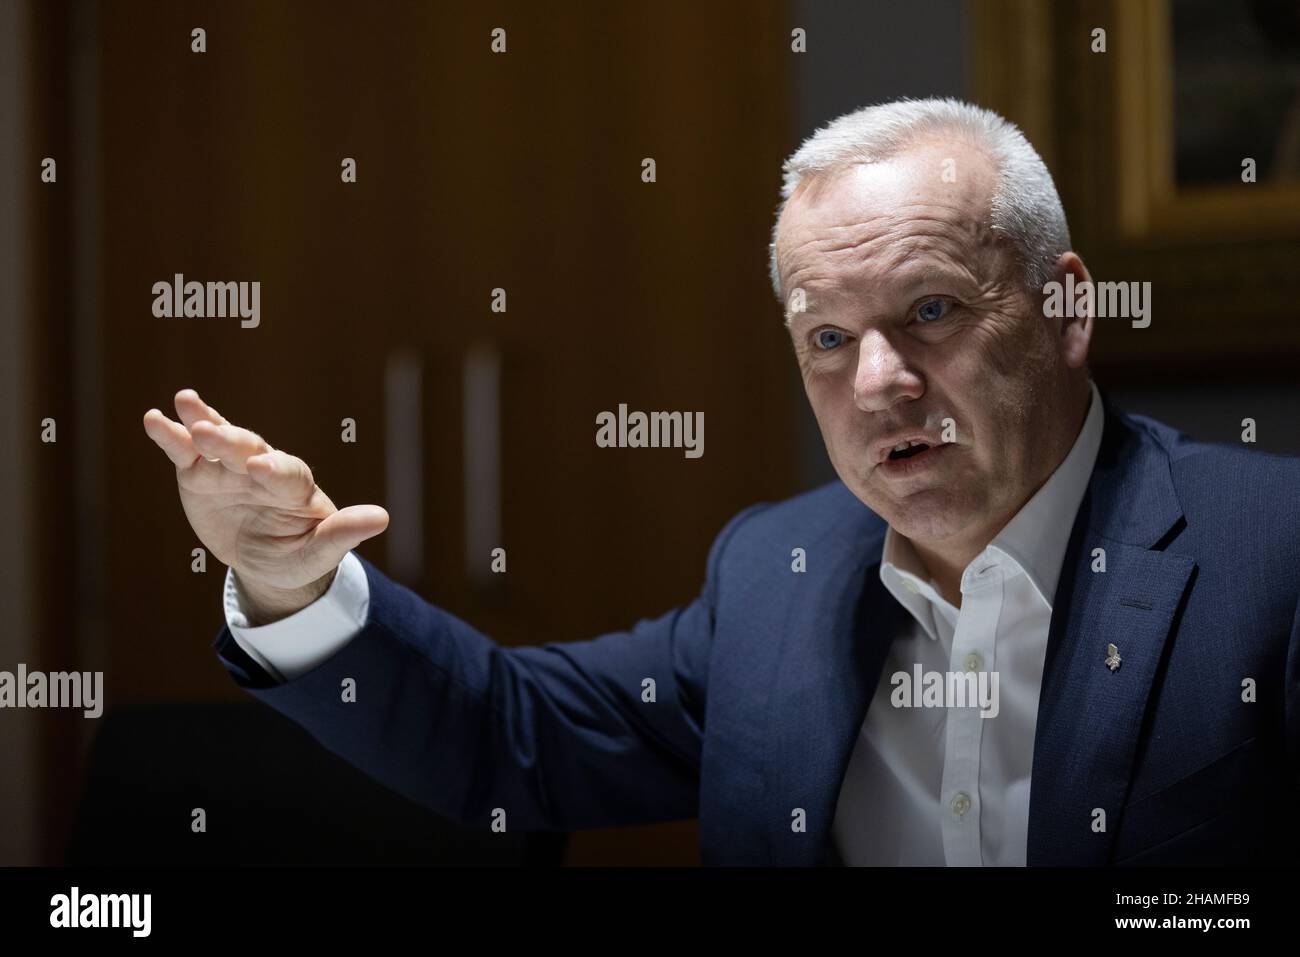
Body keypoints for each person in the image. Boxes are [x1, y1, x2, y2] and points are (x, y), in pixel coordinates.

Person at [142, 98, 1300, 866]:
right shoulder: (775, 577)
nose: (881, 382)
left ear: (1064, 306)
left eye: (931, 310)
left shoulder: (1271, 557)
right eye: (828, 340)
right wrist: (285, 579)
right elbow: (506, 740)